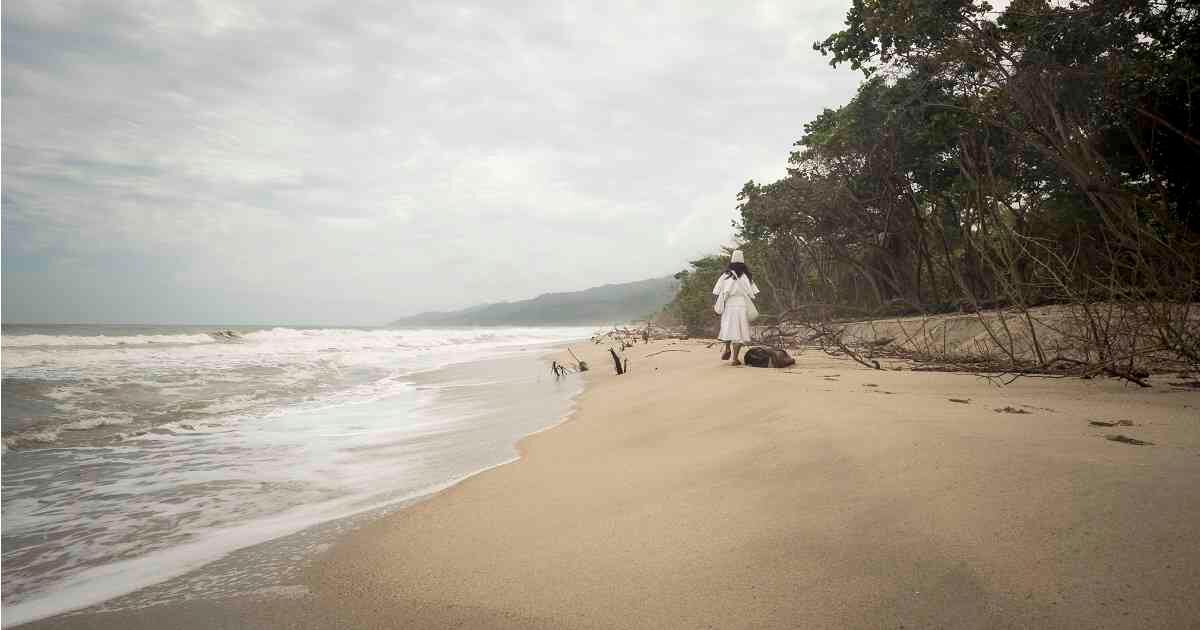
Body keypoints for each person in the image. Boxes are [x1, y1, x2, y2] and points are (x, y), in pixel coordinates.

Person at [712, 250, 759, 365]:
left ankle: (727, 348)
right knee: (739, 331)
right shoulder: (747, 276)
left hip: (729, 304)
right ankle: (735, 359)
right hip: (741, 304)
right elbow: (754, 292)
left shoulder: (725, 275)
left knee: (728, 327)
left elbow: (716, 291)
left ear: (731, 261)